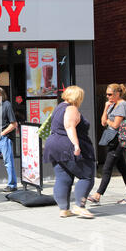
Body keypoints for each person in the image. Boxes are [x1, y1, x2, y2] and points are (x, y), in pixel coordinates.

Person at [43, 86, 96, 218]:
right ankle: (79, 206)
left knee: (63, 177)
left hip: (54, 145)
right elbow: (69, 126)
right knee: (87, 176)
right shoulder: (71, 108)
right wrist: (76, 145)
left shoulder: (59, 106)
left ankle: (64, 209)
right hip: (67, 146)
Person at [88, 83, 126, 204]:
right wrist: (105, 108)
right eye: (107, 94)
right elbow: (103, 122)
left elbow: (115, 125)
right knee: (122, 168)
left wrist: (108, 120)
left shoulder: (122, 104)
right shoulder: (111, 105)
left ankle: (98, 194)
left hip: (119, 140)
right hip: (111, 139)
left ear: (117, 93)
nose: (108, 96)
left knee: (107, 168)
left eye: (110, 94)